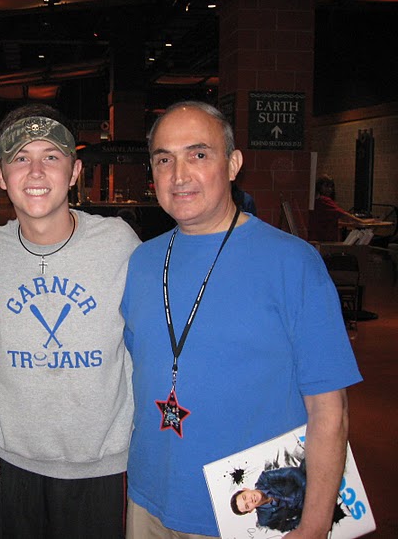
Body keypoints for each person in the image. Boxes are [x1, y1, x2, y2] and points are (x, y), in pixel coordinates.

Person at [121, 101, 362, 538]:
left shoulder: (293, 263)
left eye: (198, 154)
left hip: (249, 514)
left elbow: (330, 410)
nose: (179, 174)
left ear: (232, 164)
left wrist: (314, 525)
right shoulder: (142, 262)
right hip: (149, 502)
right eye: (163, 159)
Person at [0, 104, 141, 538]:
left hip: (100, 466)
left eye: (52, 156)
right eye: (20, 158)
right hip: (12, 461)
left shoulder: (118, 242)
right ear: (0, 175)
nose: (37, 171)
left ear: (75, 170)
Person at [231, 464, 307, 533]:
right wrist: (304, 518)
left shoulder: (265, 478)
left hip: (309, 482)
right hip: (309, 508)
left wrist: (309, 489)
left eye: (245, 497)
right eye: (247, 506)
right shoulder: (265, 520)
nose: (250, 500)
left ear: (246, 489)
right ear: (250, 510)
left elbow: (292, 472)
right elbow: (284, 527)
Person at [309, 174, 377, 242]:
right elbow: (341, 214)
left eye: (331, 187)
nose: (329, 189)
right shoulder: (323, 200)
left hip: (315, 237)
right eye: (326, 186)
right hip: (325, 238)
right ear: (319, 187)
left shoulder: (314, 199)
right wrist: (361, 221)